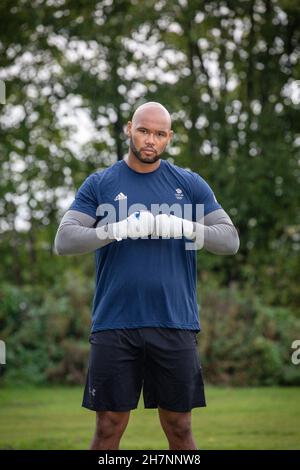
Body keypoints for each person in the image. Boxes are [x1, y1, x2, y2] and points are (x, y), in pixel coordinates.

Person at [54, 101, 239, 450]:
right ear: (129, 129)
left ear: (168, 137)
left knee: (180, 427)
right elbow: (64, 240)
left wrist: (182, 225)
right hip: (114, 322)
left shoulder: (189, 184)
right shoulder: (100, 183)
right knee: (108, 427)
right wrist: (115, 230)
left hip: (175, 322)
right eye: (143, 130)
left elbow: (229, 240)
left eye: (158, 133)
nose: (149, 140)